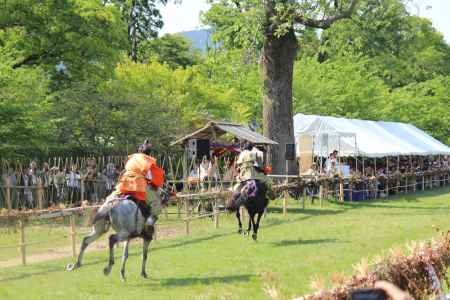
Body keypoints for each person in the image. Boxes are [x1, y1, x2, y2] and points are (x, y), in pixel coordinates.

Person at [112, 139, 165, 230]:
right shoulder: (146, 160)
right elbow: (150, 177)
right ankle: (148, 225)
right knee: (156, 203)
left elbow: (123, 171)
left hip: (124, 183)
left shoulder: (132, 158)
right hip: (137, 185)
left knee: (113, 197)